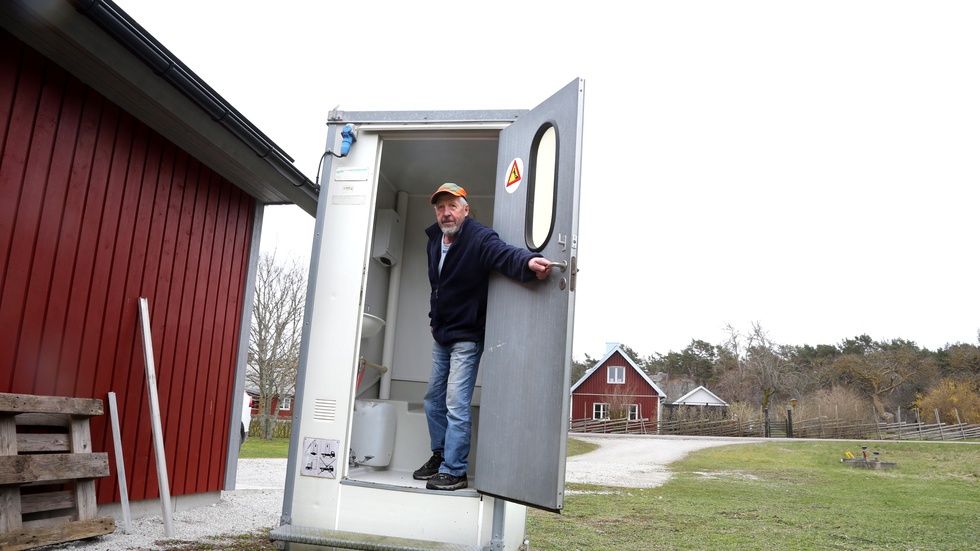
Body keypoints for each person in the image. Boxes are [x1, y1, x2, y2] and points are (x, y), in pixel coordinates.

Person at [413, 183, 553, 491]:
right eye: (440, 208)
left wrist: (529, 262)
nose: (445, 213)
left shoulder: (478, 237)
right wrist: (433, 321)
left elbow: (502, 254)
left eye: (452, 206)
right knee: (433, 400)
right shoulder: (435, 240)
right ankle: (440, 455)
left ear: (465, 209)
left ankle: (455, 469)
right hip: (443, 334)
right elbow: (438, 288)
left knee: (455, 401)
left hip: (467, 335)